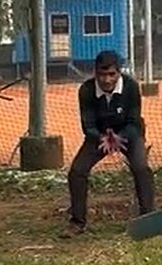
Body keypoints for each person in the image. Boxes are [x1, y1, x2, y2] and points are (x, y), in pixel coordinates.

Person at [64, 50, 155, 236]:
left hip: (129, 134)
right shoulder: (86, 90)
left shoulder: (130, 86)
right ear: (95, 72)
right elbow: (87, 125)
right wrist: (101, 138)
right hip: (99, 136)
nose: (106, 80)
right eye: (102, 74)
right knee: (77, 171)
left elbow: (134, 119)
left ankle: (149, 218)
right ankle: (77, 222)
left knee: (141, 168)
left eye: (111, 74)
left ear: (119, 72)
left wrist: (120, 137)